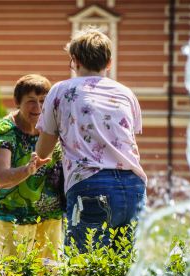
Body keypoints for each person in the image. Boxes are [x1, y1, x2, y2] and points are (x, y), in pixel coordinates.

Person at [35, 28, 147, 252]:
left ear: (74, 61)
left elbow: (43, 151)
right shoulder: (126, 93)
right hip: (134, 185)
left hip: (89, 184)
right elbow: (128, 140)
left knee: (85, 268)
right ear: (109, 62)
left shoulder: (60, 91)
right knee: (123, 269)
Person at [0, 74, 64, 260]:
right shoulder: (5, 129)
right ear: (17, 102)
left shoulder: (53, 127)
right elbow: (0, 177)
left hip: (50, 215)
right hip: (14, 215)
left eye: (43, 101)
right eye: (31, 101)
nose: (38, 107)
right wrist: (28, 170)